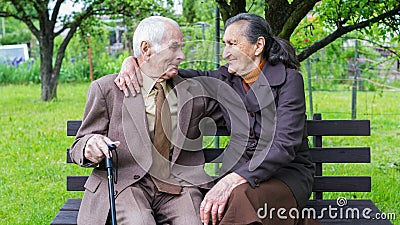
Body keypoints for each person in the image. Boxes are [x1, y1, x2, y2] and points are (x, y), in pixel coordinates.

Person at [115, 13, 318, 225]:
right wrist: (134, 61)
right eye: (224, 44)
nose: (225, 53)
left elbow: (284, 145)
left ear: (258, 46)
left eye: (232, 44)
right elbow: (174, 72)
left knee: (239, 198)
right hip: (240, 177)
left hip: (284, 176)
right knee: (220, 206)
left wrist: (233, 178)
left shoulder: (289, 81)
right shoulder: (226, 79)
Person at [70, 16, 221, 225]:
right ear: (146, 49)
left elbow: (233, 97)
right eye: (174, 48)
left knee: (192, 221)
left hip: (178, 184)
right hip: (125, 184)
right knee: (137, 221)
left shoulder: (192, 91)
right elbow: (79, 143)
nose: (182, 56)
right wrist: (90, 146)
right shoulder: (108, 89)